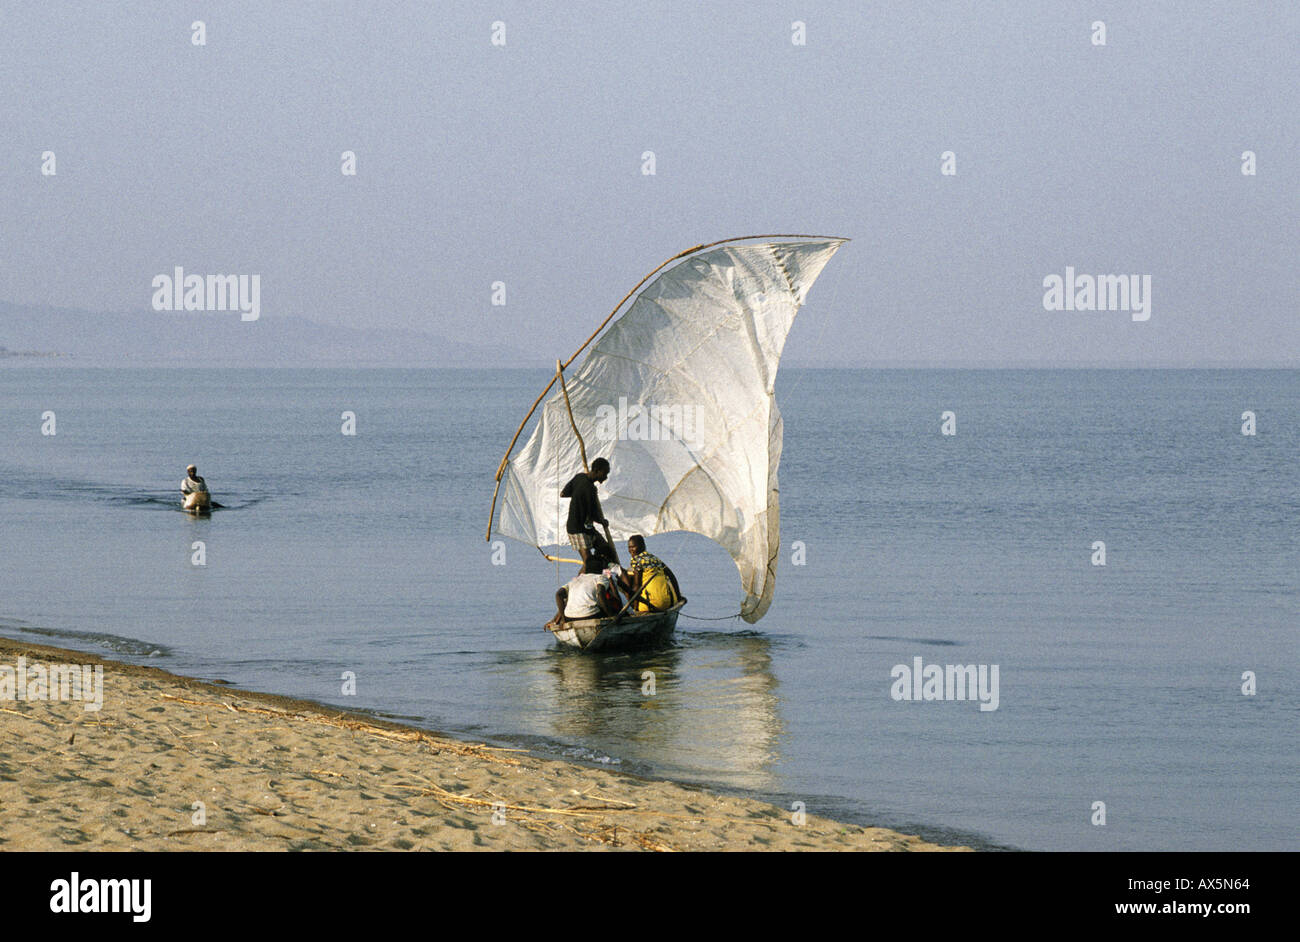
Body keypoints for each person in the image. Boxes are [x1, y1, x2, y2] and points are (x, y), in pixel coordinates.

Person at [560, 457, 612, 567]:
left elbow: (563, 493)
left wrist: (577, 494)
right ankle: (581, 580)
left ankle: (601, 570)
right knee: (589, 562)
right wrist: (602, 521)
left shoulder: (580, 477)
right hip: (577, 529)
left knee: (605, 548)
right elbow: (592, 513)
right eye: (605, 473)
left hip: (586, 528)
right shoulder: (589, 489)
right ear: (597, 470)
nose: (606, 477)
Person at [546, 556, 621, 629]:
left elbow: (558, 595)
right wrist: (612, 616)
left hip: (569, 618)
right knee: (612, 609)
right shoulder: (600, 577)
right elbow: (601, 595)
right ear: (600, 569)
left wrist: (564, 618)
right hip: (589, 615)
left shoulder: (575, 580)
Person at [619, 535, 683, 613]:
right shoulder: (655, 559)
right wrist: (678, 597)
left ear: (642, 546)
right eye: (629, 547)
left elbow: (637, 587)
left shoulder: (637, 560)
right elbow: (672, 577)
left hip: (649, 606)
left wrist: (633, 608)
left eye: (634, 547)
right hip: (668, 603)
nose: (631, 550)